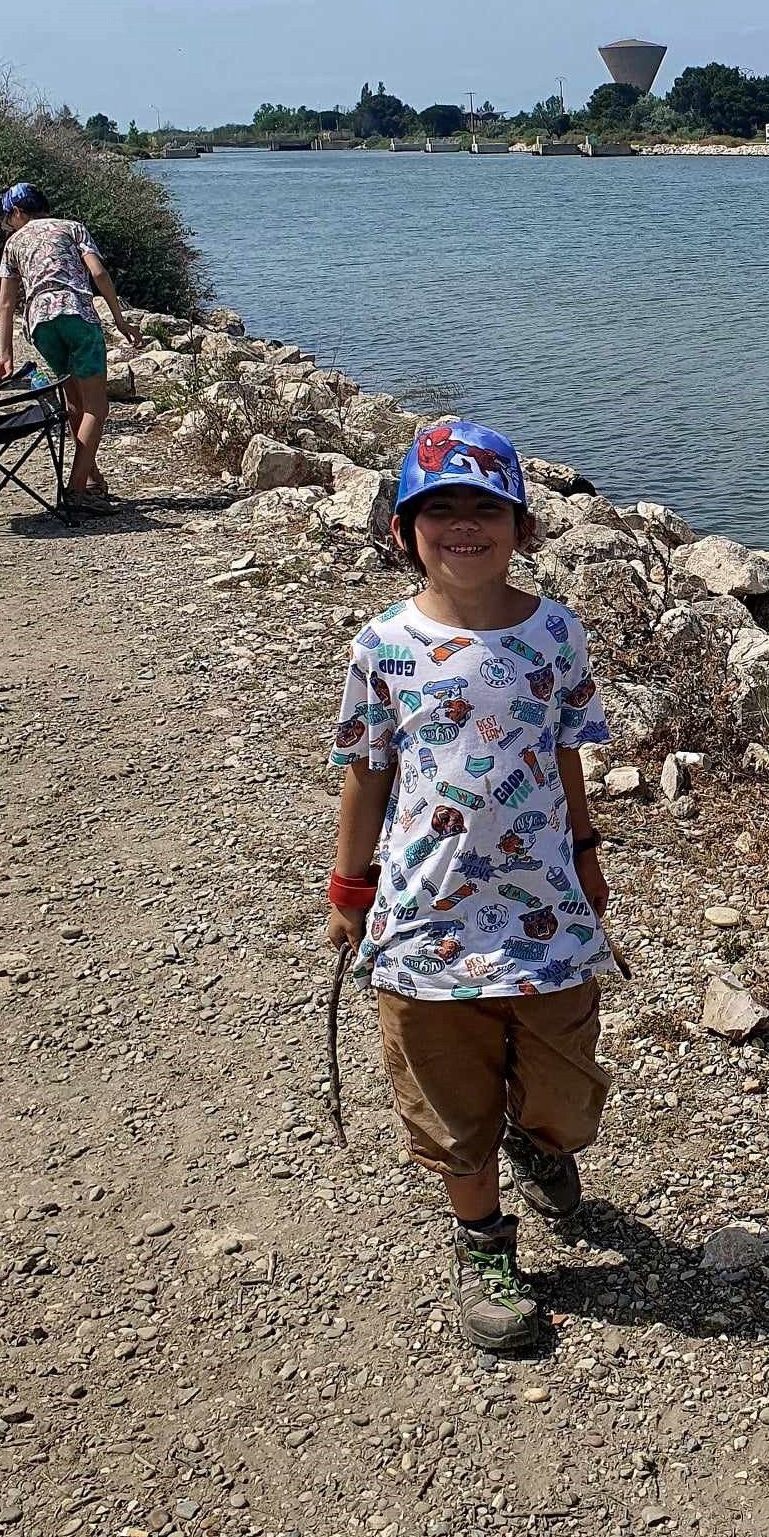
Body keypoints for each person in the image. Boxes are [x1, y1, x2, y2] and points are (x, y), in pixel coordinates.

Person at [324, 418, 616, 1353]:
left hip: (544, 906)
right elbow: (367, 772)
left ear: (522, 527)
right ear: (404, 530)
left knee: (568, 1088)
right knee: (448, 1099)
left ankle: (541, 1144)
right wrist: (348, 886)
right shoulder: (384, 645)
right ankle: (482, 1240)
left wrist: (585, 845)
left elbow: (566, 750)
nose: (462, 526)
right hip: (422, 912)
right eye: (436, 508)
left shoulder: (554, 633)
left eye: (484, 507)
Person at [0, 182, 143, 507]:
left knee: (75, 403)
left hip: (41, 323)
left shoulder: (13, 243)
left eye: (8, 218)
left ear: (18, 212)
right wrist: (120, 319)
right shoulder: (72, 227)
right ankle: (75, 492)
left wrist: (5, 355)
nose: (8, 223)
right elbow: (99, 273)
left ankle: (90, 477)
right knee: (97, 408)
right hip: (77, 315)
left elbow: (4, 305)